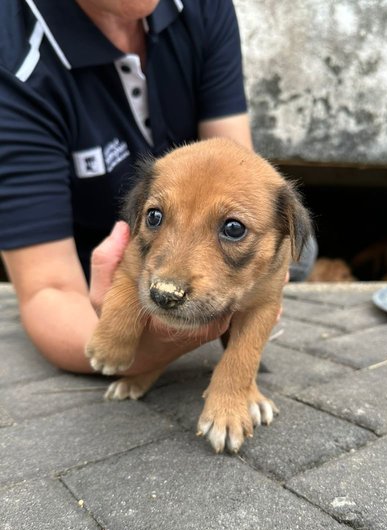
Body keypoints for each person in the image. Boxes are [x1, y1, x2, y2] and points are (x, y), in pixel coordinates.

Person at [0, 0, 316, 378]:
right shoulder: (12, 60)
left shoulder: (204, 8)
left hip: (183, 231)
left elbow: (239, 168)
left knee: (299, 255)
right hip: (95, 267)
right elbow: (46, 290)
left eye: (231, 229)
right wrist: (142, 356)